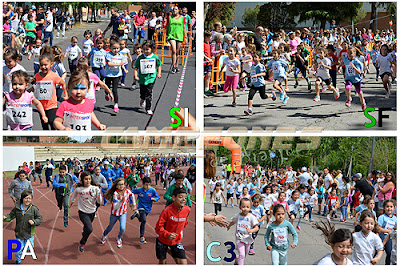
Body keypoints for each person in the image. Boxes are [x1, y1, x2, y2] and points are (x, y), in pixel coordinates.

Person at [3, 189, 42, 264]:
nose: (28, 200)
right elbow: (10, 216)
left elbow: (39, 218)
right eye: (26, 198)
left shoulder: (34, 209)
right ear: (22, 198)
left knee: (28, 247)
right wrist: (5, 218)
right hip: (19, 233)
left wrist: (34, 222)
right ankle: (18, 261)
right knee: (18, 251)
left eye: (30, 198)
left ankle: (24, 249)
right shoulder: (17, 208)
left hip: (29, 234)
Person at [33, 49, 68, 130]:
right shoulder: (37, 76)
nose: (43, 67)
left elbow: (63, 83)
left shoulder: (54, 76)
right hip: (41, 105)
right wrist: (27, 92)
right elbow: (35, 86)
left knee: (52, 122)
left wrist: (66, 95)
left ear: (51, 64)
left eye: (46, 65)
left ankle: (54, 138)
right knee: (44, 125)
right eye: (41, 65)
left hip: (52, 105)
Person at [155, 187, 191, 264]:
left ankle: (170, 249)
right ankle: (167, 248)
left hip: (176, 241)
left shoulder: (187, 210)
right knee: (162, 262)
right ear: (174, 198)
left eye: (185, 197)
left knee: (183, 263)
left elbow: (185, 223)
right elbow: (158, 228)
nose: (183, 199)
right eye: (180, 197)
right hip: (163, 240)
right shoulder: (167, 211)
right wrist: (167, 234)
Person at [70, 171, 103, 252]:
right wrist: (69, 204)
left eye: (89, 179)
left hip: (92, 212)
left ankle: (84, 232)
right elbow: (73, 197)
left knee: (87, 228)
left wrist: (98, 195)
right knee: (90, 229)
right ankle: (82, 242)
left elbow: (99, 202)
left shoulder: (95, 189)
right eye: (86, 179)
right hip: (82, 212)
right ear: (82, 180)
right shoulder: (79, 189)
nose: (88, 181)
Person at [100, 178, 136, 248]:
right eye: (119, 184)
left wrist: (134, 205)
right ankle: (104, 235)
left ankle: (119, 238)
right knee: (110, 227)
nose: (121, 186)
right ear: (116, 186)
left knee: (123, 228)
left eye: (122, 184)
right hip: (114, 214)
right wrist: (121, 201)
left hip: (123, 213)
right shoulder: (115, 194)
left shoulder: (127, 191)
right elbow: (116, 207)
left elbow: (132, 195)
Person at [227, 198, 259, 265]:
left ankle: (237, 259)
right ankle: (240, 261)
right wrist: (229, 225)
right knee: (242, 255)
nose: (245, 209)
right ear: (240, 207)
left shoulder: (251, 217)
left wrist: (251, 230)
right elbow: (233, 221)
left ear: (250, 208)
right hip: (239, 238)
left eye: (247, 207)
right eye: (243, 207)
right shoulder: (238, 216)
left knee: (245, 254)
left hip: (248, 238)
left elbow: (256, 228)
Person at [133, 40, 161, 115]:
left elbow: (159, 65)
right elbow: (135, 67)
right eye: (144, 49)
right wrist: (135, 75)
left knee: (149, 93)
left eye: (147, 49)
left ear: (152, 49)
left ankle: (148, 108)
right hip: (142, 78)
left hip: (151, 78)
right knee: (143, 92)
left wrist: (159, 73)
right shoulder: (140, 58)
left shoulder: (155, 57)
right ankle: (142, 99)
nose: (146, 51)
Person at [244, 51, 276, 116]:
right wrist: (247, 75)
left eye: (256, 57)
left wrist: (257, 75)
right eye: (253, 57)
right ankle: (249, 109)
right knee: (250, 95)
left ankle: (272, 95)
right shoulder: (253, 66)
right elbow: (252, 73)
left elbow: (264, 73)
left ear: (259, 58)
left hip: (261, 84)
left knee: (263, 96)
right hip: (254, 84)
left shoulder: (260, 66)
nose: (254, 58)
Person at [130, 176, 160, 244]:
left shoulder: (152, 190)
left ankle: (136, 215)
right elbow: (130, 192)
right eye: (146, 184)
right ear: (143, 184)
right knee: (144, 220)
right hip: (141, 206)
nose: (147, 186)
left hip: (148, 208)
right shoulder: (139, 190)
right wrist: (131, 201)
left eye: (149, 184)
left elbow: (157, 197)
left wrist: (154, 199)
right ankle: (142, 237)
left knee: (141, 220)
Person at [105, 39, 124, 113]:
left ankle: (116, 105)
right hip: (109, 74)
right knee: (107, 87)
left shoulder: (120, 56)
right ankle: (106, 94)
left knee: (115, 90)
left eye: (117, 48)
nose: (116, 50)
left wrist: (124, 69)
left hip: (117, 74)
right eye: (114, 48)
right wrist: (117, 64)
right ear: (110, 48)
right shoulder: (108, 54)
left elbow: (122, 64)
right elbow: (109, 64)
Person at [167, 6, 187, 74]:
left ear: (178, 10)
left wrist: (186, 37)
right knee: (174, 50)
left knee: (177, 52)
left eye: (176, 9)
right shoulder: (170, 17)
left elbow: (184, 28)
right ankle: (173, 66)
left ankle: (176, 66)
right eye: (173, 9)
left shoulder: (182, 18)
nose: (174, 11)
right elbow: (167, 25)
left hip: (179, 36)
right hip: (171, 35)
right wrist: (166, 34)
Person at [377, 199, 396, 265]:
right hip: (379, 238)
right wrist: (388, 231)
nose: (389, 208)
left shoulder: (395, 219)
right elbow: (378, 228)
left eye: (391, 207)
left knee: (389, 253)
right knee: (374, 253)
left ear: (394, 208)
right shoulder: (381, 217)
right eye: (387, 206)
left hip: (388, 239)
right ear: (384, 208)